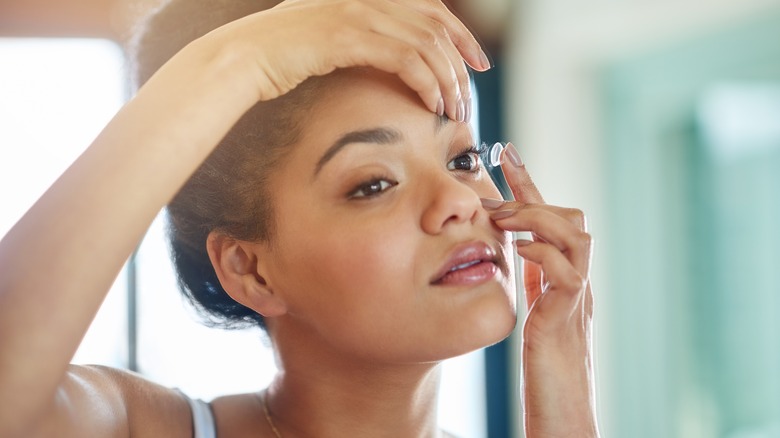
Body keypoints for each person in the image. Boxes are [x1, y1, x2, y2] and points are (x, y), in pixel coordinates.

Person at [0, 0, 599, 436]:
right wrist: (243, 57)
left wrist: (568, 405)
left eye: (463, 158)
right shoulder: (145, 429)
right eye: (374, 184)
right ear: (250, 270)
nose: (462, 201)